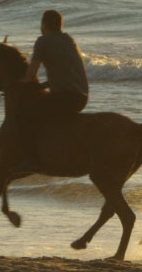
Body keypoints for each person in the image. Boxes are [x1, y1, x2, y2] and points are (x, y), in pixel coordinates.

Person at [15, 10, 89, 169]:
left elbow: (30, 74)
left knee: (25, 114)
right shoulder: (69, 39)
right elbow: (65, 72)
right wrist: (43, 85)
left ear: (43, 25)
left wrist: (19, 83)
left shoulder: (43, 41)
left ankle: (32, 160)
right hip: (81, 97)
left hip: (65, 97)